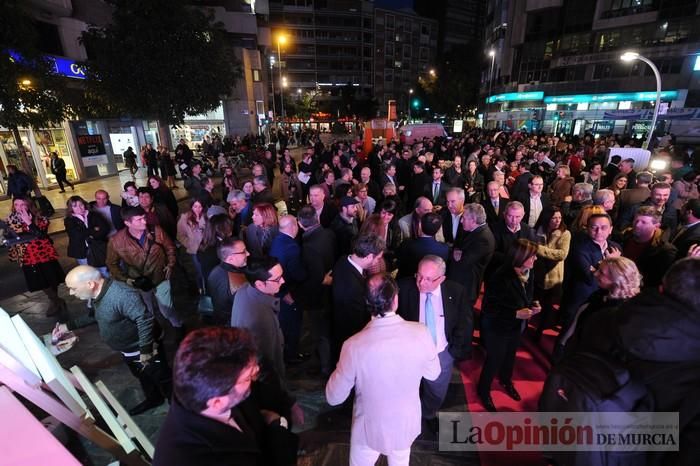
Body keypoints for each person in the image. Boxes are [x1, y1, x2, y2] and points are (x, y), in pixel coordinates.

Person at [326, 274, 440, 466]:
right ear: (395, 299)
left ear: (367, 302)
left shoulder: (353, 345)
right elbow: (434, 373)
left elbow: (333, 397)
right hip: (405, 424)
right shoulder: (421, 332)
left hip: (368, 429)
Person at [153, 327, 298, 466]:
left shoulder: (212, 389)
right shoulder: (186, 459)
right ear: (217, 403)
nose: (256, 372)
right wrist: (278, 426)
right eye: (247, 378)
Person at [59, 265, 171, 416]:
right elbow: (96, 315)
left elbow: (144, 320)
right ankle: (154, 399)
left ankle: (177, 407)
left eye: (73, 288)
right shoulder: (97, 294)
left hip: (143, 348)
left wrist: (146, 349)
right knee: (142, 375)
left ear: (90, 284)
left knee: (162, 377)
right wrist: (68, 326)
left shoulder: (122, 295)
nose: (71, 293)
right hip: (129, 349)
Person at [397, 255, 472, 427]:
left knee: (436, 391)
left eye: (429, 279)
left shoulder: (456, 291)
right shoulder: (403, 287)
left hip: (441, 354)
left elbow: (464, 323)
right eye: (419, 276)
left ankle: (428, 414)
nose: (421, 283)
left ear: (442, 279)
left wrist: (451, 352)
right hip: (409, 354)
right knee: (406, 388)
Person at [477, 239, 541, 412]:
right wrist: (515, 313)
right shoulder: (500, 277)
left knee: (510, 356)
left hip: (515, 327)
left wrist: (534, 303)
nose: (535, 259)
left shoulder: (529, 272)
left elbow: (529, 293)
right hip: (497, 327)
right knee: (494, 359)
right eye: (532, 256)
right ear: (521, 257)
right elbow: (489, 308)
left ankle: (505, 380)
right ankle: (483, 391)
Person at [106, 206, 182, 331]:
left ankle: (178, 326)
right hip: (138, 281)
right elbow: (111, 264)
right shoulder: (116, 241)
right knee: (146, 310)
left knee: (167, 309)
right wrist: (126, 279)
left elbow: (170, 248)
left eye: (144, 218)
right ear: (127, 223)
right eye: (139, 219)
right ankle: (155, 333)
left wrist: (170, 264)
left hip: (160, 277)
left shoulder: (156, 231)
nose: (144, 222)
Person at [559, 257, 642, 356]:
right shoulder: (601, 294)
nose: (595, 274)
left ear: (617, 280)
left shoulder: (621, 312)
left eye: (601, 273)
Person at [559, 213, 620, 337]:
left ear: (610, 229)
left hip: (602, 300)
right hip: (579, 297)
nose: (598, 231)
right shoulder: (579, 248)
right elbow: (589, 277)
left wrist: (596, 269)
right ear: (587, 228)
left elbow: (618, 276)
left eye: (603, 227)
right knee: (567, 334)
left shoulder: (616, 248)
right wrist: (609, 262)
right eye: (594, 227)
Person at [5, 197, 66, 317]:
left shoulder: (40, 218)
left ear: (29, 205)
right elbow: (9, 236)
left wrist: (29, 223)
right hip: (27, 255)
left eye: (22, 204)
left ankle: (56, 301)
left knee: (51, 278)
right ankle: (55, 300)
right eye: (16, 205)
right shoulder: (10, 220)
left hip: (43, 252)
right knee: (39, 281)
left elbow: (41, 235)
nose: (19, 207)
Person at [231, 256, 288, 382]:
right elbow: (266, 362)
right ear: (260, 284)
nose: (283, 281)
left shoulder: (243, 290)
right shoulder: (261, 320)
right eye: (277, 279)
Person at [331, 234, 385, 360]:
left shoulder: (344, 260)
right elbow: (356, 324)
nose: (378, 261)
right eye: (378, 258)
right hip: (349, 339)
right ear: (369, 256)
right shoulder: (353, 288)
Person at [297, 206, 336, 377]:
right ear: (317, 218)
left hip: (317, 296)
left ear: (300, 224)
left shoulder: (308, 247)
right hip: (331, 289)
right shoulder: (329, 234)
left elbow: (315, 278)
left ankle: (326, 368)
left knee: (320, 333)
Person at [269, 215, 308, 364]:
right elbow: (297, 273)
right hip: (289, 292)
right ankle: (291, 356)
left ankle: (286, 353)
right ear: (293, 227)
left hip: (279, 291)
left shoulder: (277, 240)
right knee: (292, 325)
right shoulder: (292, 247)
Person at [447, 203, 496, 315]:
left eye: (463, 218)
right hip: (461, 284)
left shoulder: (484, 239)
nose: (461, 221)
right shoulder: (474, 231)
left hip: (466, 287)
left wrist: (456, 253)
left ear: (473, 220)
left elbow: (462, 262)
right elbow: (458, 249)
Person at [532, 207, 571, 340]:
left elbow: (562, 254)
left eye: (559, 218)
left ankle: (540, 332)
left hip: (552, 277)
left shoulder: (565, 233)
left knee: (547, 308)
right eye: (554, 218)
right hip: (537, 273)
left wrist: (538, 249)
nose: (557, 221)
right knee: (532, 302)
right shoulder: (538, 230)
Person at [619, 206, 677, 289]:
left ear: (656, 226)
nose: (637, 225)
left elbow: (656, 281)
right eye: (636, 220)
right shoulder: (624, 237)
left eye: (643, 222)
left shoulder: (665, 251)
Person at [64, 196, 111, 276]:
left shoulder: (94, 215)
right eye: (75, 206)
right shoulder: (69, 220)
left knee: (104, 269)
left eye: (81, 205)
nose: (79, 208)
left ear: (84, 204)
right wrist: (94, 230)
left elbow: (105, 229)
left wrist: (91, 235)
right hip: (82, 251)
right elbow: (76, 235)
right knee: (89, 273)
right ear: (71, 208)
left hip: (98, 248)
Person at [207, 238, 249, 325]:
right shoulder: (238, 283)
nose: (248, 253)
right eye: (244, 251)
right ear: (230, 259)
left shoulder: (215, 270)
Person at [396, 212, 449, 279]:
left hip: (406, 282)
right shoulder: (444, 249)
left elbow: (398, 261)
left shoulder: (407, 244)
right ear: (438, 229)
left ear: (420, 225)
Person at [176, 199, 207, 291]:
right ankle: (201, 288)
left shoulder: (206, 217)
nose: (198, 209)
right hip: (195, 250)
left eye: (200, 207)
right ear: (191, 207)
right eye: (195, 206)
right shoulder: (184, 218)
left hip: (207, 248)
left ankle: (208, 287)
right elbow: (180, 235)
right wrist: (189, 244)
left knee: (207, 269)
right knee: (199, 271)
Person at [197, 214, 234, 283]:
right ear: (221, 229)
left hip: (208, 280)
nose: (231, 231)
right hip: (220, 281)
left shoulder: (205, 242)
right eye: (229, 227)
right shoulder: (220, 249)